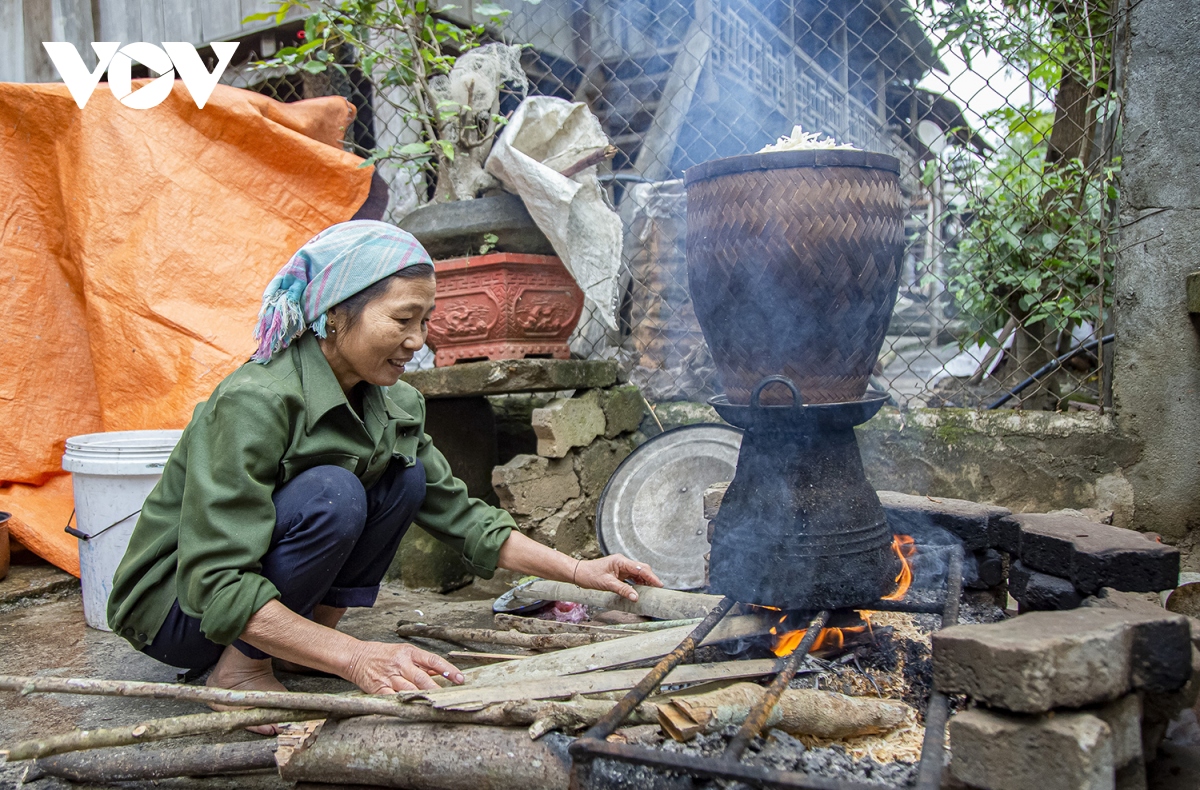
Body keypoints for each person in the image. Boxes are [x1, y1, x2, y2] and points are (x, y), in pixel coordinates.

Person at [107, 220, 661, 704]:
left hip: (239, 601)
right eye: (403, 319)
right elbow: (215, 580)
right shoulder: (256, 399)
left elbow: (461, 514)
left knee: (405, 478)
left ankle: (301, 649)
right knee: (333, 493)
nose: (418, 341)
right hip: (181, 612)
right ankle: (241, 670)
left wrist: (580, 572)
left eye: (426, 321)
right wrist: (355, 657)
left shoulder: (394, 401)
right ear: (332, 314)